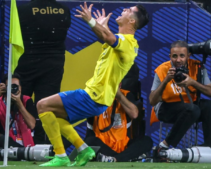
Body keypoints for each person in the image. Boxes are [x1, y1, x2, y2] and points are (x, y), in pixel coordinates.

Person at [36, 2, 149, 167]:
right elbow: (110, 37)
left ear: (132, 21)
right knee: (54, 115)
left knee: (42, 105)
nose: (125, 9)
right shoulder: (124, 42)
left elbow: (109, 38)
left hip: (94, 96)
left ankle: (61, 155)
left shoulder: (128, 42)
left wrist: (91, 21)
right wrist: (102, 26)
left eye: (129, 10)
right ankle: (83, 150)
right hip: (96, 96)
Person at [149, 40, 211, 152]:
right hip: (166, 108)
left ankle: (209, 147)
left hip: (190, 108)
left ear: (188, 56)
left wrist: (193, 82)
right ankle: (165, 145)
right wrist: (166, 80)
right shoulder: (162, 69)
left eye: (182, 56)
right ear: (170, 56)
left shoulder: (198, 67)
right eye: (174, 56)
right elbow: (152, 101)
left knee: (209, 106)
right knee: (192, 109)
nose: (178, 60)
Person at [15, 0, 71, 104]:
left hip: (27, 63)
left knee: (19, 103)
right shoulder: (64, 9)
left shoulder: (22, 10)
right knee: (46, 107)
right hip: (53, 64)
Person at [85, 86, 153, 162]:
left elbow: (134, 114)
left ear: (120, 84)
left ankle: (115, 159)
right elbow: (90, 132)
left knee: (147, 141)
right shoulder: (93, 97)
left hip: (124, 146)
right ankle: (121, 158)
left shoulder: (126, 95)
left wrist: (119, 95)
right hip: (103, 147)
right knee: (89, 141)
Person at [0, 74, 37, 148]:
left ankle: (23, 152)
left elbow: (32, 125)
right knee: (2, 140)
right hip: (7, 146)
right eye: (10, 86)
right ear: (5, 88)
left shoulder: (26, 100)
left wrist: (19, 104)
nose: (13, 89)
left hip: (27, 145)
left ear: (20, 88)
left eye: (15, 86)